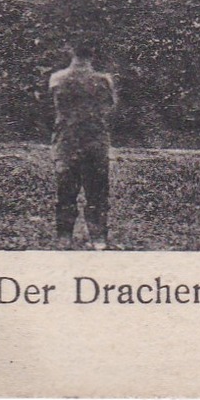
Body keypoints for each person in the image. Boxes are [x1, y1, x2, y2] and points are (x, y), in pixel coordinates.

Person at [49, 41, 118, 250]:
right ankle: (98, 240)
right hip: (95, 141)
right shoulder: (104, 80)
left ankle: (64, 238)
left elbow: (52, 107)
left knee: (66, 192)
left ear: (71, 52)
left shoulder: (57, 79)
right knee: (97, 192)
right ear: (93, 54)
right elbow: (111, 109)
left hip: (67, 142)